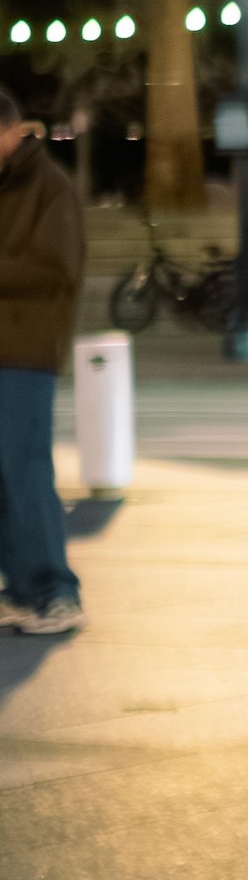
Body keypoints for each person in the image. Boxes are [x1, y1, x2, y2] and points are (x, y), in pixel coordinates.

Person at [0, 82, 85, 636]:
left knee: (24, 470)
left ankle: (57, 592)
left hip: (27, 348)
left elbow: (57, 267)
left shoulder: (49, 184)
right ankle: (23, 588)